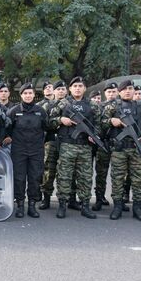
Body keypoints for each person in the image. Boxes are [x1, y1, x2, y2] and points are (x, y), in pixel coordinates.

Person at [102, 80, 141, 221]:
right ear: (119, 92)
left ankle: (137, 207)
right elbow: (101, 122)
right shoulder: (113, 106)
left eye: (130, 88)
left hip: (137, 148)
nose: (127, 91)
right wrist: (111, 121)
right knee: (117, 178)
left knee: (138, 179)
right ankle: (117, 206)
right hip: (119, 148)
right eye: (124, 89)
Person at [49, 76, 100, 219]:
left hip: (85, 146)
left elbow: (100, 124)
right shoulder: (62, 104)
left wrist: (94, 135)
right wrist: (60, 120)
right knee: (64, 176)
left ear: (85, 88)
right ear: (70, 89)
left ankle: (85, 205)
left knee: (85, 177)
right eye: (75, 86)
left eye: (80, 86)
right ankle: (62, 205)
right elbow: (49, 122)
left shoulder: (93, 105)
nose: (77, 88)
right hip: (67, 145)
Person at [4, 83, 48, 218]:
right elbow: (7, 130)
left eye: (30, 93)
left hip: (36, 150)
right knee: (19, 178)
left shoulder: (41, 111)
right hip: (19, 150)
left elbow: (46, 128)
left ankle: (32, 206)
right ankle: (20, 205)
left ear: (34, 95)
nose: (28, 95)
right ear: (21, 95)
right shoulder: (13, 111)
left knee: (35, 178)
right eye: (25, 93)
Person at [37, 80, 66, 210]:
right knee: (48, 171)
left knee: (65, 173)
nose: (61, 91)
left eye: (63, 89)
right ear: (53, 91)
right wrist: (59, 121)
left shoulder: (71, 105)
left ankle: (65, 200)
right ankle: (46, 198)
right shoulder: (46, 106)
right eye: (58, 89)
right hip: (51, 142)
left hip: (67, 143)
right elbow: (44, 123)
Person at [93, 81, 118, 211]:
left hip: (119, 145)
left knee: (119, 174)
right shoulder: (99, 107)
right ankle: (99, 198)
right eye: (109, 92)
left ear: (118, 92)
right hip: (104, 143)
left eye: (114, 91)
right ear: (105, 93)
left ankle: (118, 199)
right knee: (101, 173)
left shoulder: (122, 105)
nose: (112, 94)